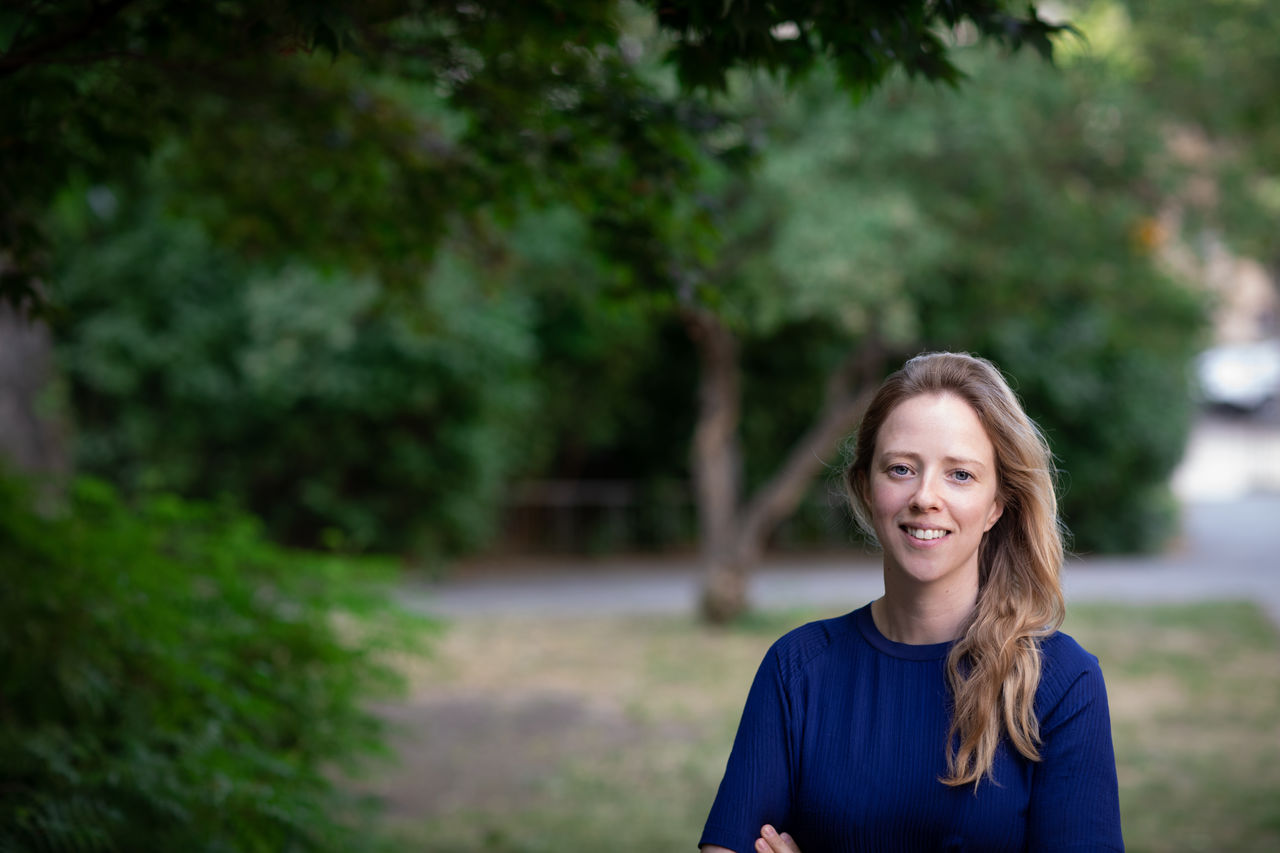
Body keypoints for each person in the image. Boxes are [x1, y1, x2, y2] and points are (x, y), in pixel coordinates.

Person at [698, 352, 1123, 853]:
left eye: (960, 475)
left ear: (996, 505)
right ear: (865, 485)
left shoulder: (1060, 682)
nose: (925, 497)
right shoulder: (797, 669)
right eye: (901, 469)